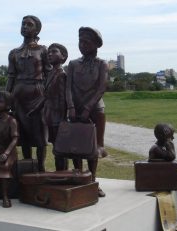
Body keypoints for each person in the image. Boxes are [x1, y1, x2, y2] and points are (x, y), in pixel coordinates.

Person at [66, 27, 108, 197]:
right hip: (75, 109)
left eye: (86, 42)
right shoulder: (73, 64)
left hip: (95, 109)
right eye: (80, 42)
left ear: (96, 45)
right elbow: (68, 88)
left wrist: (88, 107)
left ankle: (92, 180)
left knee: (93, 147)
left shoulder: (102, 64)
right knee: (76, 145)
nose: (82, 45)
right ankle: (78, 176)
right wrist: (71, 107)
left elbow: (101, 87)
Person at [6, 15, 52, 172]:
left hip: (37, 93)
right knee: (23, 133)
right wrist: (7, 98)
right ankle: (28, 166)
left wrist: (48, 96)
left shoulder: (43, 50)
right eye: (23, 24)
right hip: (19, 94)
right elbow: (11, 77)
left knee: (39, 134)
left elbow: (49, 73)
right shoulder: (14, 53)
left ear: (37, 30)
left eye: (29, 24)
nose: (25, 26)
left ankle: (41, 168)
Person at [43, 43, 69, 170]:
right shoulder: (50, 74)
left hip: (59, 118)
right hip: (50, 116)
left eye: (54, 52)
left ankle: (62, 172)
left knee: (60, 149)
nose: (50, 54)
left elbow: (63, 99)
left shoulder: (62, 74)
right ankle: (60, 171)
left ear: (63, 56)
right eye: (49, 52)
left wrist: (63, 119)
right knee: (55, 147)